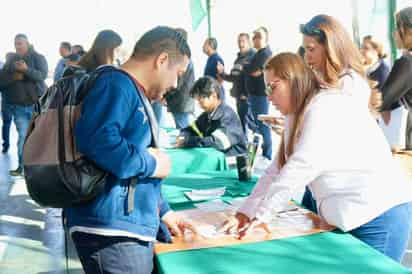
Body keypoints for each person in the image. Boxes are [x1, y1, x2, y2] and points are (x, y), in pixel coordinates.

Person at [220, 52, 412, 262]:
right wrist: (245, 213)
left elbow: (299, 167)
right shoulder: (296, 113)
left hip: (378, 217)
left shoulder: (323, 107)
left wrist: (262, 215)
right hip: (351, 216)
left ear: (292, 80)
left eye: (272, 87)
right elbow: (275, 171)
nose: (268, 96)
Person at [64, 26, 197, 274]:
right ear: (162, 60)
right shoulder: (116, 84)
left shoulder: (131, 89)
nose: (176, 83)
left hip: (122, 226)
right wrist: (152, 163)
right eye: (177, 73)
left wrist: (163, 211)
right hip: (111, 231)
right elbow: (98, 140)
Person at [299, 14, 371, 212]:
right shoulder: (329, 82)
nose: (307, 58)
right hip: (327, 186)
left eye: (311, 49)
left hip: (352, 194)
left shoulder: (350, 84)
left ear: (331, 47)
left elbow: (336, 136)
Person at [0, 34, 48, 176]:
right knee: (23, 137)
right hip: (19, 106)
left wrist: (26, 70)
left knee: (39, 137)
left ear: (27, 43)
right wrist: (14, 77)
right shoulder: (10, 60)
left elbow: (42, 76)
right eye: (16, 43)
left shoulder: (38, 57)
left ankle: (40, 167)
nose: (18, 46)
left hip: (38, 105)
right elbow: (1, 81)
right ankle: (22, 167)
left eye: (20, 43)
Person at [176, 76, 247, 156]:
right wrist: (183, 136)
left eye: (201, 99)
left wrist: (189, 141)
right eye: (197, 100)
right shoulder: (207, 115)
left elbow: (218, 142)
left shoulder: (228, 116)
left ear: (213, 95)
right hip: (215, 157)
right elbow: (191, 129)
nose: (199, 104)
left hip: (232, 162)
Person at [380, 7, 412, 150]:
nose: (394, 34)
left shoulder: (407, 63)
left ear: (409, 31)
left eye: (397, 28)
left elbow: (382, 99)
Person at [217, 33, 255, 136]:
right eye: (239, 41)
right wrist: (222, 73)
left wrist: (246, 94)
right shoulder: (238, 58)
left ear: (249, 42)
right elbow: (233, 78)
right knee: (243, 123)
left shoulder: (253, 57)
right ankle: (245, 146)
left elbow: (254, 79)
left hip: (246, 97)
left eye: (243, 41)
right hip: (238, 96)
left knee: (252, 124)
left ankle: (255, 147)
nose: (240, 44)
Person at [244, 27, 273, 160]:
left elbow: (252, 71)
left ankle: (267, 155)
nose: (255, 39)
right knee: (255, 124)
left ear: (266, 39)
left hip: (260, 96)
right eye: (254, 36)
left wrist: (249, 68)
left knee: (262, 125)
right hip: (254, 95)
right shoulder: (257, 53)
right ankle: (260, 153)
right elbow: (251, 70)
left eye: (259, 36)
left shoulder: (265, 54)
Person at [164, 28, 195, 129]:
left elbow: (177, 83)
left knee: (183, 130)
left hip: (181, 102)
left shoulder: (183, 58)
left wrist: (164, 96)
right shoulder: (184, 56)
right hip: (181, 101)